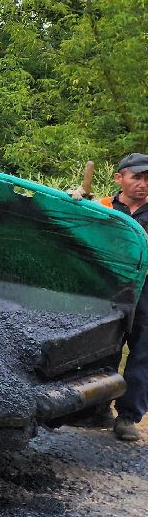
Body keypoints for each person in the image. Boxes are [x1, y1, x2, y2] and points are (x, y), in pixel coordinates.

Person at [102, 152, 148, 441]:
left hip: (146, 291)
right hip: (109, 288)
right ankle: (96, 408)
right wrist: (74, 199)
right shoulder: (104, 206)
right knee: (103, 348)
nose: (143, 184)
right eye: (137, 177)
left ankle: (128, 418)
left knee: (143, 353)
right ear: (120, 178)